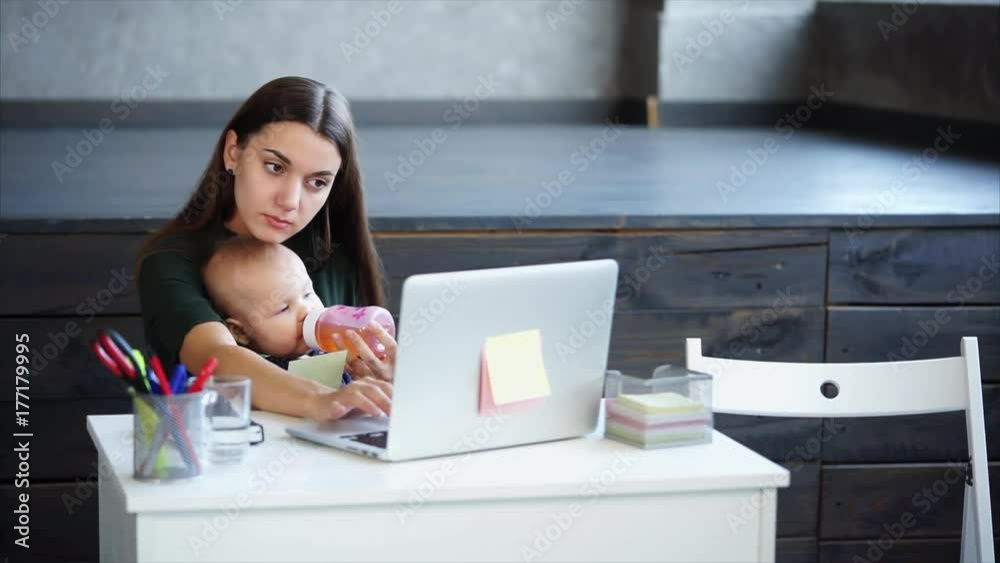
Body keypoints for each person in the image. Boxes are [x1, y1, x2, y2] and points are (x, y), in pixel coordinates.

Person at [135, 76, 394, 421]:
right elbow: (217, 357)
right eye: (275, 167)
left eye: (317, 182)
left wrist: (387, 378)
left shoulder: (334, 255)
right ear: (233, 152)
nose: (290, 201)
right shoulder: (171, 263)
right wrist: (320, 400)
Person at [201, 235, 373, 386]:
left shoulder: (331, 348)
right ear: (241, 332)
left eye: (307, 293)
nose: (306, 310)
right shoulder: (259, 376)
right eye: (283, 309)